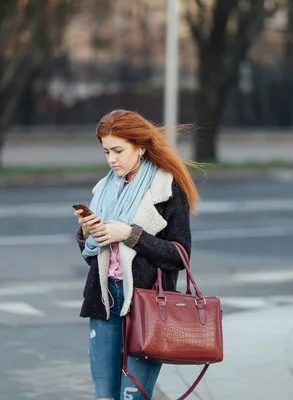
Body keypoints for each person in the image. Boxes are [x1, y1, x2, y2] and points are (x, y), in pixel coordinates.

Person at [73, 109, 200, 400]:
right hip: (105, 299)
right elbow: (93, 258)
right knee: (103, 396)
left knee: (134, 397)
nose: (111, 159)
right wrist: (87, 234)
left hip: (147, 306)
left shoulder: (166, 187)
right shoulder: (106, 188)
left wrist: (129, 234)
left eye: (118, 150)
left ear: (140, 147)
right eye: (106, 151)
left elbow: (179, 255)